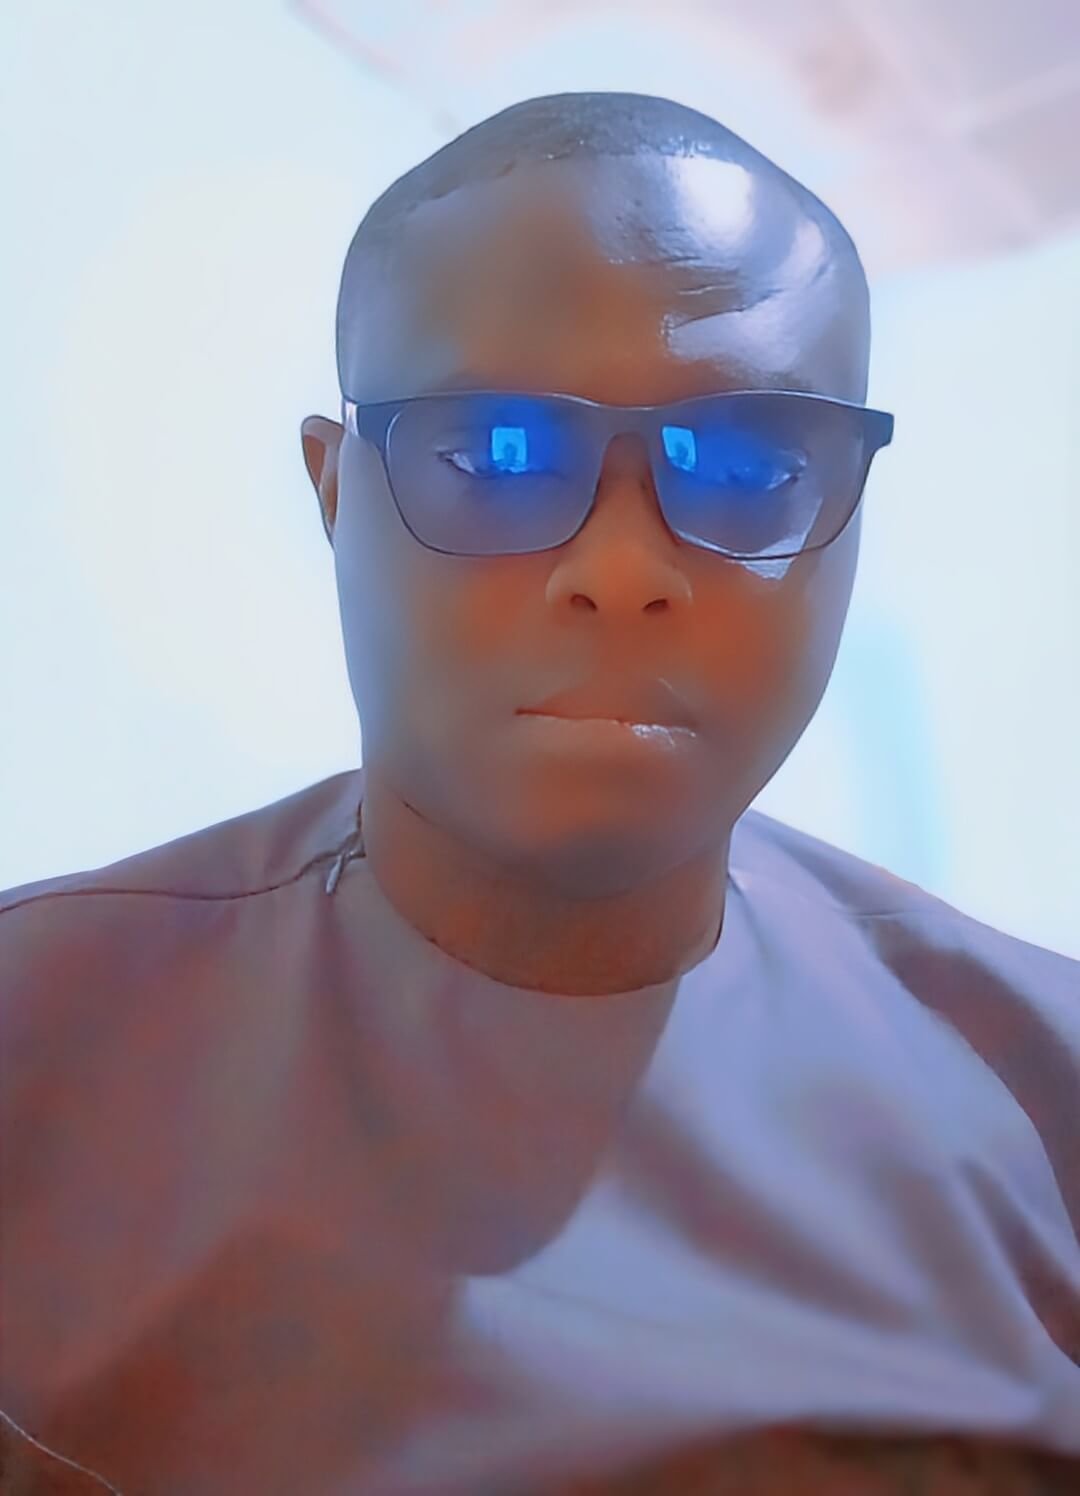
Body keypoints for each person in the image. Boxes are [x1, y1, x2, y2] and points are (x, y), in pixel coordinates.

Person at [1, 90, 1078, 1496]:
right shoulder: (34, 1056)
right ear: (334, 493)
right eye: (496, 452)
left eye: (750, 462)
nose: (620, 570)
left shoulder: (1047, 1101)